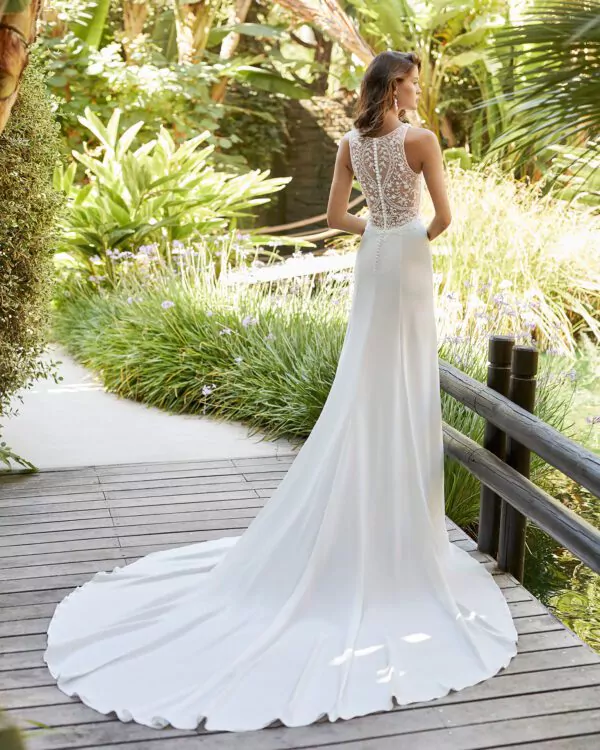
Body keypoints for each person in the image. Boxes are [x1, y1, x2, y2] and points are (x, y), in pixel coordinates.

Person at [44, 50, 518, 733]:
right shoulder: (421, 142)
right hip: (409, 260)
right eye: (414, 81)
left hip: (373, 259)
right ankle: (400, 524)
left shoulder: (353, 142)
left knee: (368, 377)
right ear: (395, 86)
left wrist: (378, 230)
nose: (420, 90)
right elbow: (443, 220)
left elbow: (334, 217)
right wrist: (406, 233)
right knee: (404, 381)